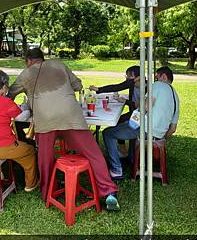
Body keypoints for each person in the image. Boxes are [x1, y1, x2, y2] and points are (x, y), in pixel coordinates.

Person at [8, 48, 121, 211]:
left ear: (28, 61)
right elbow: (78, 85)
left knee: (44, 157)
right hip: (71, 116)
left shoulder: (26, 74)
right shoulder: (59, 65)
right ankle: (109, 192)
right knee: (93, 153)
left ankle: (47, 191)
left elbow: (10, 93)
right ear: (43, 59)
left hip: (45, 119)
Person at [101, 66, 180, 180]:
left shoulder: (158, 85)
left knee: (108, 132)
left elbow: (144, 107)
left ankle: (116, 170)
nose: (154, 81)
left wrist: (134, 116)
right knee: (128, 129)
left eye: (156, 78)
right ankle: (131, 158)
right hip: (158, 135)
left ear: (163, 76)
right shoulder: (175, 96)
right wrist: (160, 138)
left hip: (145, 128)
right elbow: (173, 128)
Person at [89, 65, 142, 156]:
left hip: (141, 115)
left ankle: (124, 151)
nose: (127, 78)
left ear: (137, 77)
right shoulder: (133, 84)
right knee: (118, 121)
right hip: (135, 112)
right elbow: (118, 87)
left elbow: (117, 87)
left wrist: (125, 101)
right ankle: (124, 150)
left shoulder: (145, 86)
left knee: (118, 123)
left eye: (128, 76)